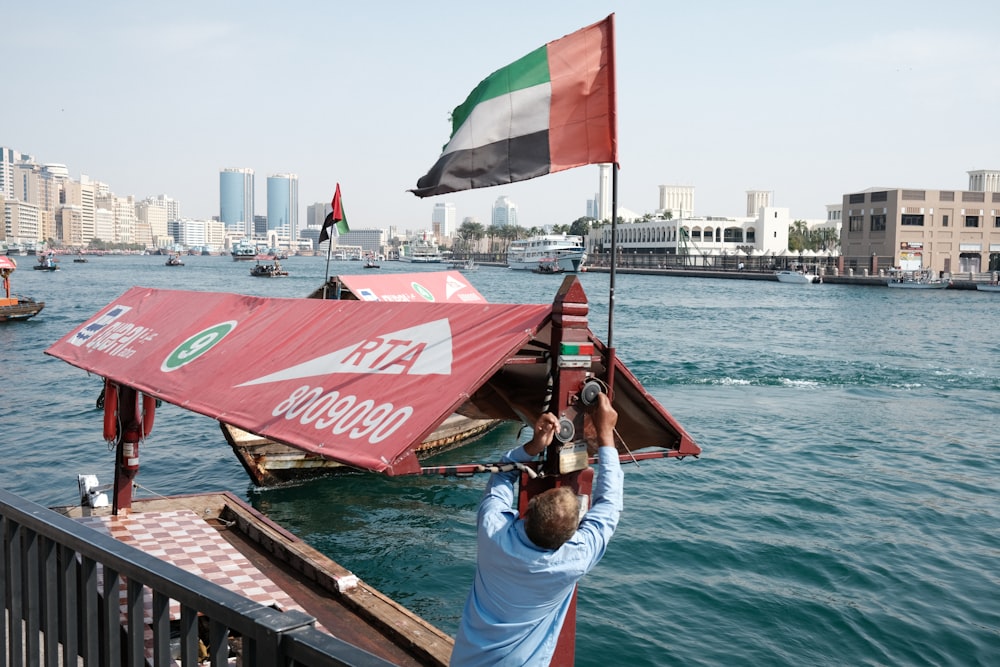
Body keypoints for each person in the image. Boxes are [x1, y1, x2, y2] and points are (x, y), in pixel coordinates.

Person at [450, 393, 621, 666]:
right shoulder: (574, 560)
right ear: (571, 535)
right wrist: (605, 435)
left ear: (527, 512)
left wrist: (533, 445)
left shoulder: (493, 532)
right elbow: (609, 506)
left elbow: (503, 472)